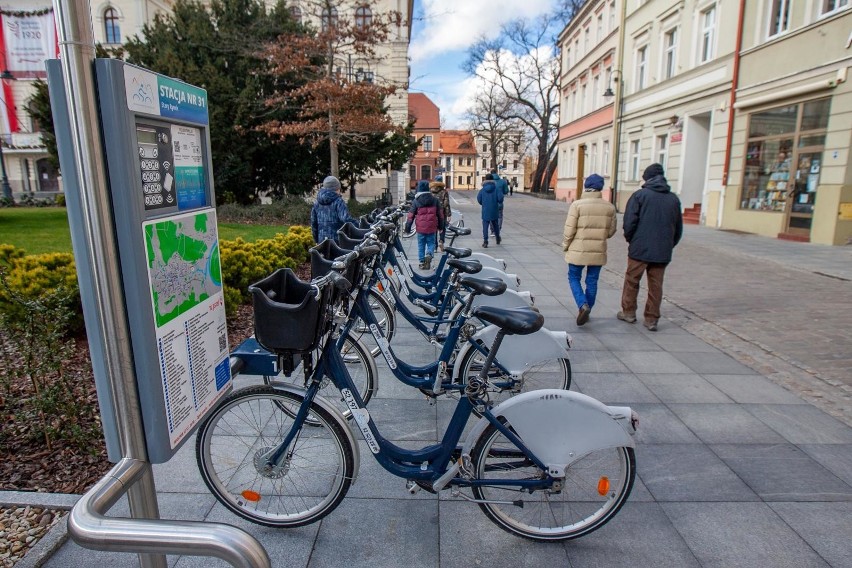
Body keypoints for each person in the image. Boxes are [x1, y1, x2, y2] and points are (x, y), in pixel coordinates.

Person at [617, 163, 683, 332]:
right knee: (656, 285)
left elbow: (629, 222)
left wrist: (631, 240)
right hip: (662, 250)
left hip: (639, 248)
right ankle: (651, 319)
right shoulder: (673, 199)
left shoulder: (640, 196)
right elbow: (678, 228)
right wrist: (669, 244)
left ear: (647, 178)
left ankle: (629, 312)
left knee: (632, 281)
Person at [562, 174, 617, 326]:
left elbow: (569, 230)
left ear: (586, 186)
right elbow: (611, 232)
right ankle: (588, 309)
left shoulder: (577, 205)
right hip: (598, 250)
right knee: (592, 281)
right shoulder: (610, 207)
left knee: (573, 277)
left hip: (577, 249)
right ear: (600, 188)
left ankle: (582, 305)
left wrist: (565, 245)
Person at [405, 179, 444, 269]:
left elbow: (411, 215)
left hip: (421, 228)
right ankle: (429, 254)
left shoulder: (416, 201)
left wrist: (408, 227)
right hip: (431, 227)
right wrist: (441, 227)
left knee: (421, 245)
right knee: (431, 243)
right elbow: (440, 215)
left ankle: (422, 262)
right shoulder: (435, 200)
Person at [310, 175, 357, 244]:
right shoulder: (338, 202)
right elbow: (346, 219)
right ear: (337, 189)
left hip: (322, 240)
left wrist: (316, 240)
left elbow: (313, 223)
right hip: (337, 241)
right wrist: (358, 225)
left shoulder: (317, 203)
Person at [477, 173, 503, 248]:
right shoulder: (496, 189)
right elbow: (500, 198)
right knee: (495, 225)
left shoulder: (482, 190)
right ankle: (497, 238)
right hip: (494, 209)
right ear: (492, 180)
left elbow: (479, 199)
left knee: (485, 226)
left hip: (485, 210)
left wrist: (484, 203)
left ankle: (485, 241)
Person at [430, 176, 452, 252]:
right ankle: (441, 241)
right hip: (442, 213)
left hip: (433, 213)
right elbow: (446, 203)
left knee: (434, 229)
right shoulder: (444, 191)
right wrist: (449, 214)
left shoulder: (430, 191)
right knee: (442, 228)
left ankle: (435, 247)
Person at [491, 169, 510, 233]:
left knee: (491, 216)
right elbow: (506, 191)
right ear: (497, 173)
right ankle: (498, 229)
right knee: (499, 216)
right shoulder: (503, 181)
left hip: (491, 202)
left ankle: (492, 230)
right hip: (499, 202)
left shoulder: (488, 182)